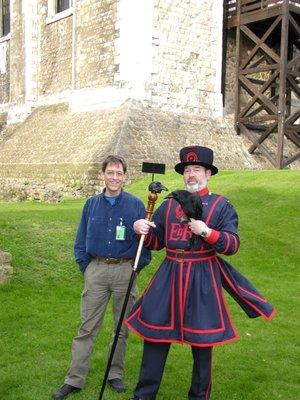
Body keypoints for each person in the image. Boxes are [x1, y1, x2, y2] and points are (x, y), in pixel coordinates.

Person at [125, 145, 275, 400]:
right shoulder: (170, 204)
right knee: (155, 337)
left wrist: (206, 231)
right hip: (170, 275)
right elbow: (157, 241)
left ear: (208, 173)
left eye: (196, 169)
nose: (191, 174)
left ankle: (199, 397)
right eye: (187, 170)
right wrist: (141, 228)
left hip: (202, 277)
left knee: (203, 344)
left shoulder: (221, 205)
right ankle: (143, 396)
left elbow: (232, 245)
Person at [52, 155, 151, 400]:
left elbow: (146, 244)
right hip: (95, 271)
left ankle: (114, 374)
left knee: (121, 328)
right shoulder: (90, 204)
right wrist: (86, 268)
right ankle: (74, 379)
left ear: (125, 176)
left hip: (125, 271)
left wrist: (136, 268)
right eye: (110, 172)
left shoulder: (137, 205)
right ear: (103, 174)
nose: (114, 177)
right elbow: (79, 240)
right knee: (87, 327)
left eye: (119, 173)